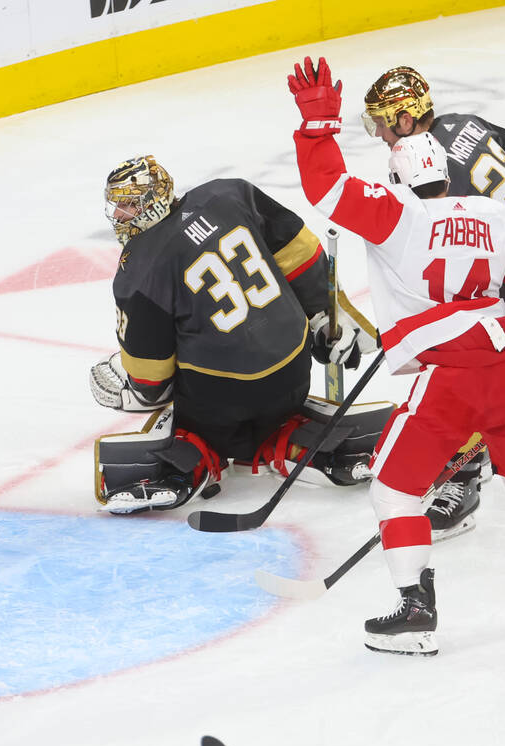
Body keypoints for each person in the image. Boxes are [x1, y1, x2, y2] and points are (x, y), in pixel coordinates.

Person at [286, 56, 505, 655]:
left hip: (445, 375)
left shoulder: (396, 215)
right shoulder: (492, 218)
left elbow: (327, 189)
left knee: (393, 489)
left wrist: (318, 129)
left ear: (399, 171)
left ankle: (416, 610)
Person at [88, 154, 391, 515]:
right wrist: (325, 316)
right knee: (275, 409)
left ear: (152, 202)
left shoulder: (139, 267)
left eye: (128, 204)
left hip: (219, 397)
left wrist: (131, 391)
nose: (118, 215)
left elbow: (152, 378)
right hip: (292, 368)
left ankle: (194, 458)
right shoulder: (229, 194)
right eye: (117, 205)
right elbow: (301, 251)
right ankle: (292, 442)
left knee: (189, 415)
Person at [360, 65, 505, 534]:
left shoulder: (424, 171)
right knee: (476, 367)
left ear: (405, 119)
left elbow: (439, 251)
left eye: (381, 120)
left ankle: (462, 480)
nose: (378, 131)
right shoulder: (465, 123)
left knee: (471, 369)